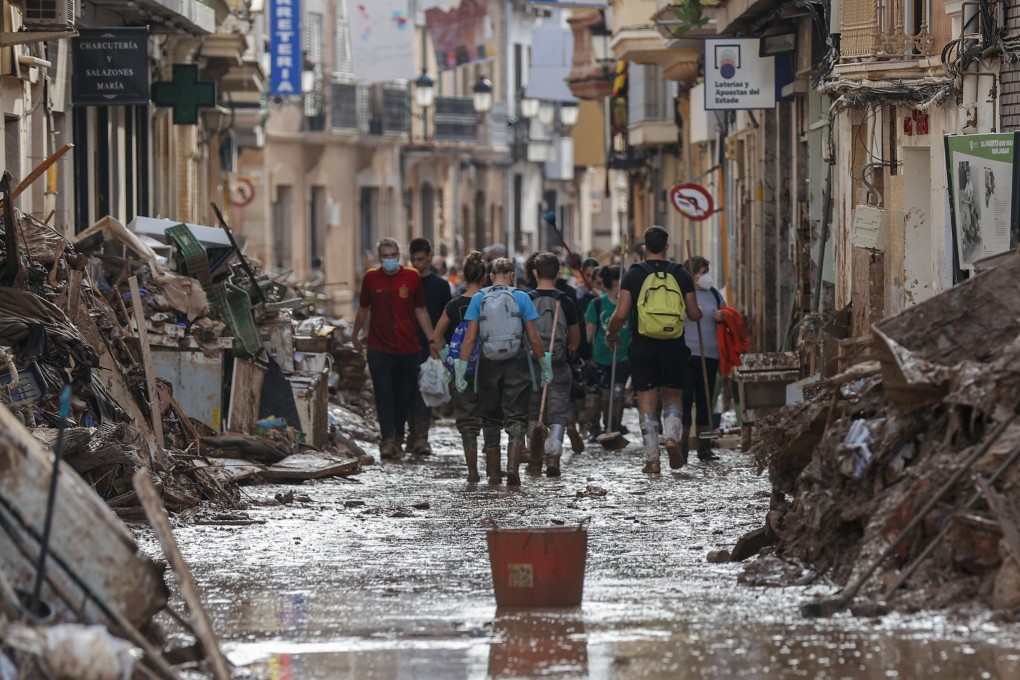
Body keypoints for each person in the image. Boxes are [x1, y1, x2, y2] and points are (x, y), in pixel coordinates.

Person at [606, 226, 701, 474]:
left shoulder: (633, 275)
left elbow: (621, 314)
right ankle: (672, 437)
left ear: (644, 248)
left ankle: (652, 459)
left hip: (643, 345)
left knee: (646, 402)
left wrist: (610, 331)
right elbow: (693, 313)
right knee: (673, 398)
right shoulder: (681, 274)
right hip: (674, 345)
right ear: (667, 246)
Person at [455, 257, 548, 486]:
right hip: (517, 363)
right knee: (517, 415)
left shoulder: (479, 298)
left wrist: (461, 370)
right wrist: (545, 366)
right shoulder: (522, 297)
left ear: (490, 276)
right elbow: (534, 338)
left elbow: (470, 339)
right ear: (513, 275)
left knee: (490, 417)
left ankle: (494, 473)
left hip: (488, 363)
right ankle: (512, 467)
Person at [351, 238, 435, 460]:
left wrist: (433, 339)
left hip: (408, 347)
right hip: (379, 346)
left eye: (393, 255)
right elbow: (363, 308)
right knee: (383, 394)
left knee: (404, 395)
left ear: (399, 255)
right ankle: (387, 439)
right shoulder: (371, 278)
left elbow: (420, 310)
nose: (389, 260)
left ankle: (399, 436)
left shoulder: (411, 277)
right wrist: (355, 333)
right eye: (385, 256)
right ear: (379, 258)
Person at [430, 252, 503, 483]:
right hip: (491, 368)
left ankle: (473, 472)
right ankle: (494, 472)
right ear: (485, 276)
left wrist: (448, 361)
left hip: (462, 370)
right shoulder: (492, 301)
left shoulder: (454, 305)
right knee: (492, 419)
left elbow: (436, 337)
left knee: (467, 422)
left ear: (464, 275)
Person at [527, 252, 581, 477]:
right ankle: (554, 459)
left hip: (531, 366)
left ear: (534, 273)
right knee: (558, 413)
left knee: (532, 413)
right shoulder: (566, 300)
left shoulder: (526, 299)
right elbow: (576, 339)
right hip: (559, 364)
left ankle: (535, 459)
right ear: (558, 273)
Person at [405, 238, 453, 456]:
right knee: (406, 391)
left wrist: (442, 344)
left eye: (421, 259)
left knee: (425, 390)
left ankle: (421, 437)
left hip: (430, 346)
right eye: (414, 259)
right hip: (405, 344)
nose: (417, 263)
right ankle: (410, 434)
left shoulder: (440, 286)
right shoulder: (405, 283)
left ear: (429, 257)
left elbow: (447, 315)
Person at [683, 256, 725, 462]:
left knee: (705, 401)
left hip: (710, 356)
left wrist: (724, 317)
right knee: (684, 399)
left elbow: (729, 315)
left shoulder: (715, 294)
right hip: (686, 356)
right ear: (691, 275)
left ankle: (704, 448)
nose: (705, 276)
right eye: (701, 272)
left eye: (707, 271)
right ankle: (682, 446)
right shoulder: (681, 294)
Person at [585, 265, 631, 439]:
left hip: (622, 357)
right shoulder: (597, 303)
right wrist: (589, 355)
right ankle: (595, 428)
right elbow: (590, 332)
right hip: (600, 356)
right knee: (598, 396)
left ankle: (613, 427)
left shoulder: (628, 305)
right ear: (615, 282)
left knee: (617, 394)